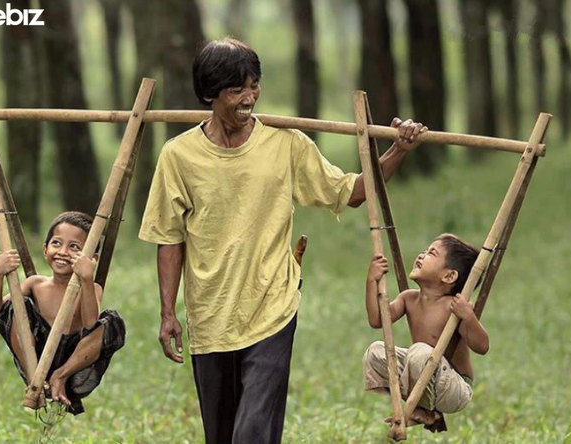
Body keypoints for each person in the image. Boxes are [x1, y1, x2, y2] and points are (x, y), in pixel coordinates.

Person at [139, 37, 427, 443]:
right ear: (209, 94)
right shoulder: (178, 156)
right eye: (237, 89)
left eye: (254, 86)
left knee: (254, 431)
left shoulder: (286, 143)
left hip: (273, 306)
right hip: (210, 314)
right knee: (220, 435)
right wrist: (168, 312)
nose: (249, 97)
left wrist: (398, 150)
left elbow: (354, 192)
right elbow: (168, 238)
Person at [0, 211, 126, 414]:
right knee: (16, 305)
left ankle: (59, 377)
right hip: (35, 355)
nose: (62, 251)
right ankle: (35, 379)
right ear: (45, 250)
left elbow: (90, 323)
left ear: (91, 259)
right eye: (56, 243)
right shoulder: (35, 284)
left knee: (112, 322)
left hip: (74, 358)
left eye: (74, 247)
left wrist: (87, 278)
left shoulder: (92, 288)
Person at [363, 233, 490, 429]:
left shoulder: (453, 307)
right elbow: (377, 320)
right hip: (421, 373)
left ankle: (426, 409)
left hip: (454, 388)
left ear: (449, 276)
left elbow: (482, 347)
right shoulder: (408, 298)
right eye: (424, 251)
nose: (421, 255)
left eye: (431, 253)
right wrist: (372, 280)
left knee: (420, 351)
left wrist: (468, 316)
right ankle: (420, 405)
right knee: (376, 351)